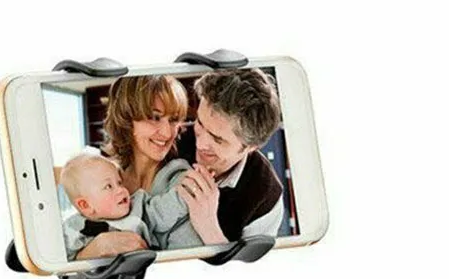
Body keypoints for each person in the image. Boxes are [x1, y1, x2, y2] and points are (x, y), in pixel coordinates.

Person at [73, 75, 197, 260]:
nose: (167, 133)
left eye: (173, 120)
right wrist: (93, 250)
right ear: (127, 119)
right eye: (155, 117)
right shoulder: (104, 176)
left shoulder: (182, 185)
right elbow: (75, 237)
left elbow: (186, 263)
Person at [166, 68, 285, 248]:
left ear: (251, 147)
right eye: (200, 123)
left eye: (217, 139)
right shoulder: (168, 142)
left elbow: (246, 265)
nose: (200, 144)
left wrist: (208, 227)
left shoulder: (266, 198)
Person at [59, 151, 195, 259]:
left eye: (119, 183)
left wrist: (189, 190)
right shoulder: (74, 228)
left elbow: (164, 209)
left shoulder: (138, 207)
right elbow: (61, 260)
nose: (121, 190)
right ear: (85, 205)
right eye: (108, 186)